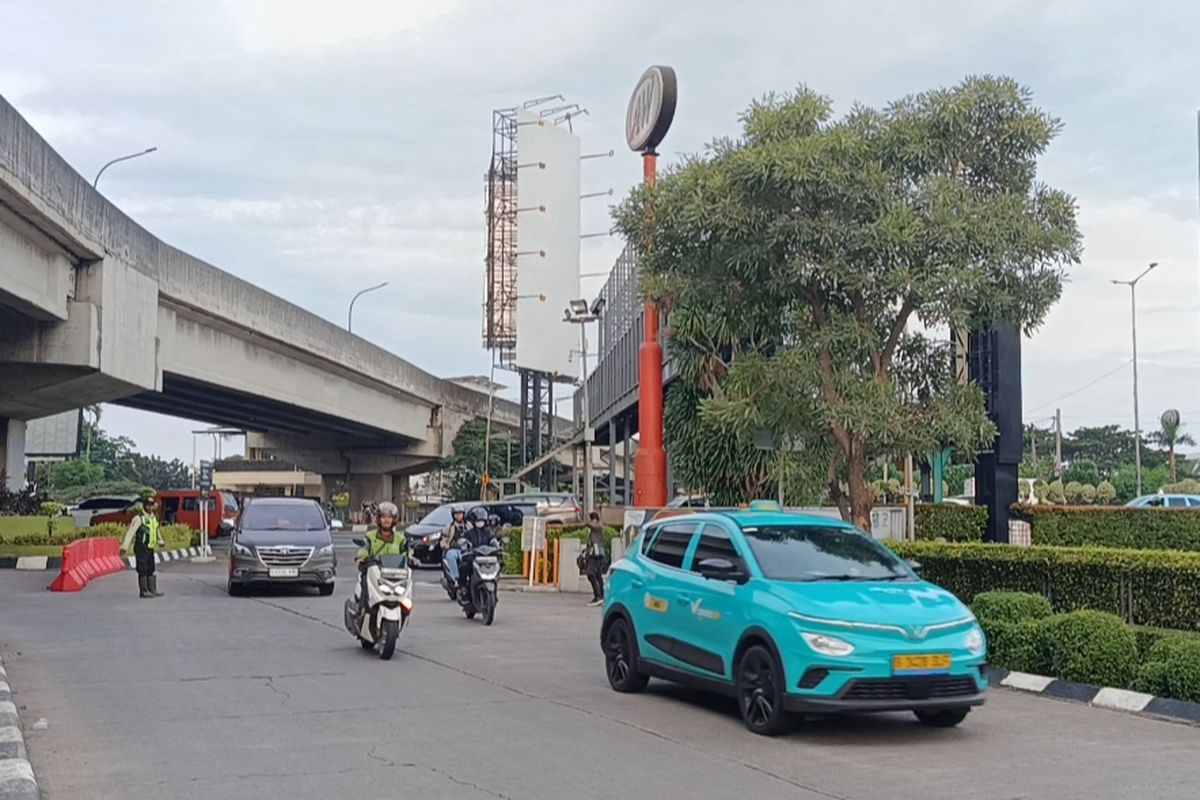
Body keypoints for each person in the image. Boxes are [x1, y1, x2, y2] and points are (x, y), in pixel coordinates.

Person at [354, 502, 408, 613]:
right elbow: (364, 547)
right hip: (374, 572)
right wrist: (362, 555)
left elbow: (407, 551)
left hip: (394, 574)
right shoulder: (370, 536)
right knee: (365, 584)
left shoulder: (400, 538)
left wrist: (413, 558)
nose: (386, 520)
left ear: (394, 519)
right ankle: (362, 610)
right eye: (383, 517)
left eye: (389, 517)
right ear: (379, 519)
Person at [121, 494, 163, 598]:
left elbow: (156, 530)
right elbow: (131, 532)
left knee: (151, 568)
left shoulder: (154, 518)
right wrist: (125, 546)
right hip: (141, 547)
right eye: (148, 505)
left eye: (151, 504)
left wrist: (160, 540)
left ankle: (152, 589)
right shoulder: (139, 518)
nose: (150, 507)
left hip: (150, 547)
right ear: (144, 505)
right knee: (142, 568)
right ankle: (144, 591)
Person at [440, 507, 471, 589]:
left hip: (467, 549)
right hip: (453, 549)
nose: (458, 516)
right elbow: (443, 539)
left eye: (460, 513)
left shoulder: (469, 526)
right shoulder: (449, 527)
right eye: (456, 514)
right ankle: (456, 579)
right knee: (450, 556)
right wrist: (445, 545)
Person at [584, 511, 607, 606]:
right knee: (597, 576)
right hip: (595, 553)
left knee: (591, 574)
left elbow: (589, 524)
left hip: (596, 554)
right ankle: (601, 596)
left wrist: (588, 518)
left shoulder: (598, 526)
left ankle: (598, 596)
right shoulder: (597, 527)